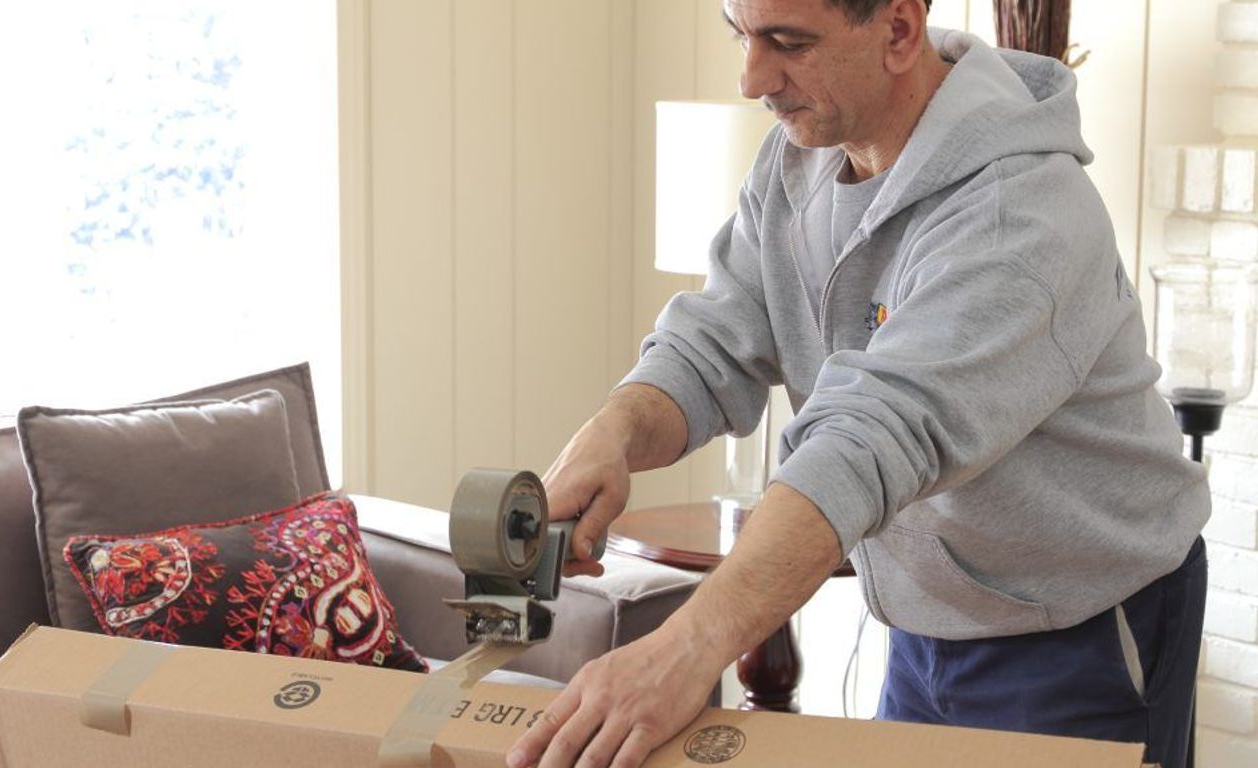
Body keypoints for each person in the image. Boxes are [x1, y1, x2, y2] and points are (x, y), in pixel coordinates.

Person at [503, 1, 1211, 767]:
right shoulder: (801, 154)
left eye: (789, 43)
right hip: (926, 623)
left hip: (1079, 631)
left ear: (899, 31)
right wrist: (613, 431)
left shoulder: (1019, 213)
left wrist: (685, 651)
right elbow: (715, 341)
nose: (752, 79)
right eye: (741, 35)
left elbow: (869, 440)